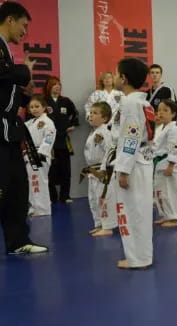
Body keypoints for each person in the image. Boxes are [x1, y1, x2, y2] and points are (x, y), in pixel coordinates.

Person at [0, 1, 48, 254]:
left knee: (18, 186)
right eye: (23, 25)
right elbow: (6, 73)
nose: (25, 32)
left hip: (10, 128)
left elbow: (5, 88)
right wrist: (24, 72)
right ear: (10, 19)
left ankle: (18, 241)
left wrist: (24, 94)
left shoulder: (6, 49)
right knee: (3, 186)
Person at [113, 58, 155, 269]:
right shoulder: (144, 102)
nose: (113, 77)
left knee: (132, 212)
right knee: (142, 212)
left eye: (116, 73)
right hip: (144, 160)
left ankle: (137, 259)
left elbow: (131, 137)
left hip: (134, 163)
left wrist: (123, 169)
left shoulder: (130, 103)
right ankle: (143, 256)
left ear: (123, 78)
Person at [45, 76, 79, 204]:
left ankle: (65, 196)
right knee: (50, 171)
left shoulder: (66, 101)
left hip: (63, 139)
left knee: (66, 169)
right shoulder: (44, 101)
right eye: (54, 84)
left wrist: (73, 125)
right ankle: (51, 197)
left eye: (59, 84)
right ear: (49, 86)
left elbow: (75, 113)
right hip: (48, 141)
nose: (57, 87)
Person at [84, 101, 115, 237]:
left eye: (95, 113)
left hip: (102, 171)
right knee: (94, 199)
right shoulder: (94, 132)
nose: (91, 115)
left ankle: (108, 226)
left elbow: (110, 152)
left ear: (105, 118)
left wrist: (104, 169)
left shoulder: (105, 133)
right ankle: (99, 223)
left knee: (103, 198)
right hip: (92, 170)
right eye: (90, 113)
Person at [153, 99, 177, 228]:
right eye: (159, 110)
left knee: (170, 191)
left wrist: (171, 165)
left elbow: (174, 147)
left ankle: (174, 217)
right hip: (159, 163)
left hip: (168, 163)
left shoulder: (173, 129)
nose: (161, 113)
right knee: (160, 192)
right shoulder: (160, 128)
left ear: (173, 114)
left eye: (165, 110)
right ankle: (165, 215)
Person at [25, 95, 56, 217]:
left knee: (39, 182)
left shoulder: (47, 122)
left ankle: (42, 209)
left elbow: (49, 138)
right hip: (30, 154)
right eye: (32, 107)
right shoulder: (30, 122)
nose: (34, 109)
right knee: (33, 182)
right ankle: (34, 207)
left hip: (39, 155)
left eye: (37, 106)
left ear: (44, 108)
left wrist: (41, 153)